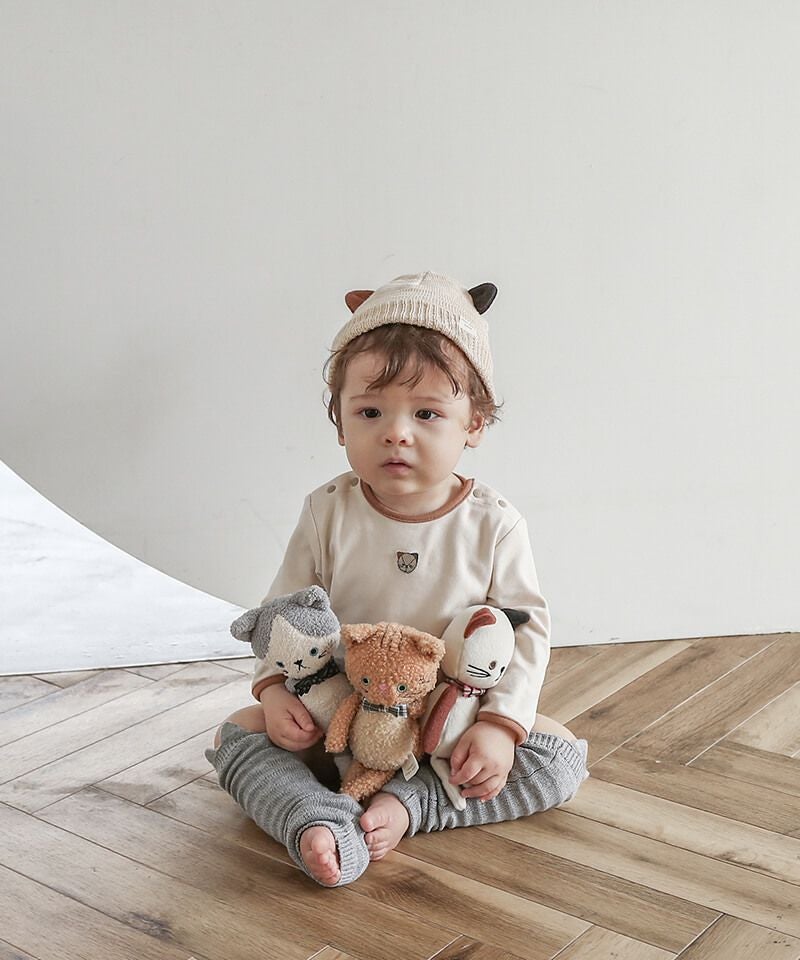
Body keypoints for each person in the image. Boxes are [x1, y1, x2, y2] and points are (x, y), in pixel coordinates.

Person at [206, 271, 589, 887]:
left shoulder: (494, 524)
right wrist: (275, 692)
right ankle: (313, 816)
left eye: (428, 412)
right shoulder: (326, 511)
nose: (396, 432)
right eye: (369, 411)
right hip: (337, 713)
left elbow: (526, 633)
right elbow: (282, 613)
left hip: (442, 726)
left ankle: (414, 804)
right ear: (339, 423)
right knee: (239, 733)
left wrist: (498, 727)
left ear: (474, 424)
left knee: (558, 752)